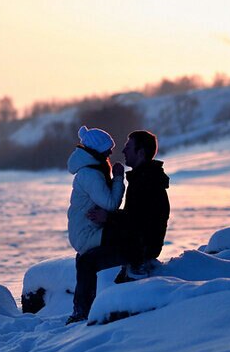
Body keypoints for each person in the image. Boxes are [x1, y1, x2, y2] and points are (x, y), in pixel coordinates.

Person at [67, 130, 170, 325]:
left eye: (128, 147)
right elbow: (136, 216)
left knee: (87, 261)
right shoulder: (142, 177)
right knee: (85, 258)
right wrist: (110, 218)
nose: (123, 151)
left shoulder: (147, 181)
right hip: (136, 239)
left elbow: (139, 221)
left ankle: (83, 314)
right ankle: (86, 310)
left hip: (141, 244)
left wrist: (108, 217)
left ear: (140, 153)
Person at [65, 126, 126, 324]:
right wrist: (118, 178)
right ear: (98, 151)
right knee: (126, 239)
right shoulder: (90, 174)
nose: (110, 153)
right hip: (86, 234)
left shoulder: (91, 171)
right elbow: (110, 203)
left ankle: (81, 310)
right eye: (108, 150)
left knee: (87, 261)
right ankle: (83, 311)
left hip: (87, 231)